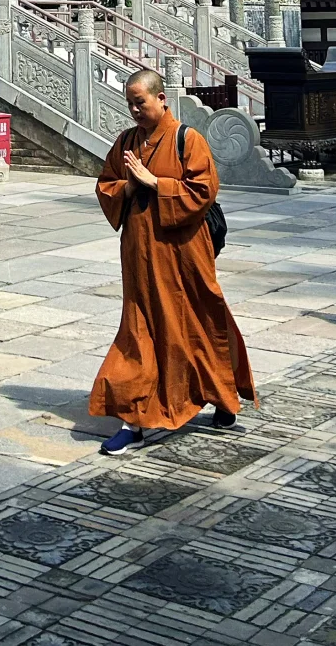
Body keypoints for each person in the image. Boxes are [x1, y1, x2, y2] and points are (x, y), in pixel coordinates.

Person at [89, 68, 257, 455]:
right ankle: (134, 421)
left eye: (140, 102)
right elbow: (106, 183)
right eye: (130, 103)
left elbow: (203, 190)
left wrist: (155, 183)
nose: (134, 110)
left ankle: (222, 396)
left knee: (197, 323)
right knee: (140, 330)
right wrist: (130, 185)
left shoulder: (187, 139)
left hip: (183, 253)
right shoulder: (128, 140)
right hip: (140, 253)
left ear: (161, 99)